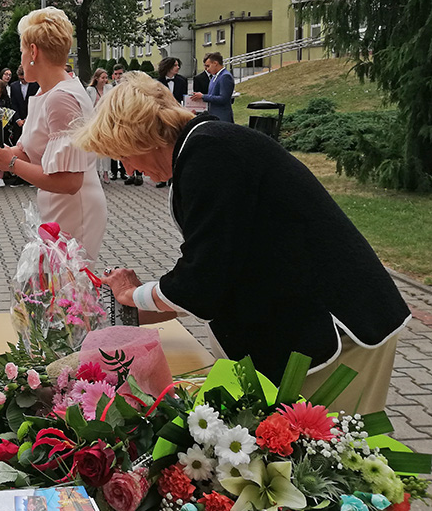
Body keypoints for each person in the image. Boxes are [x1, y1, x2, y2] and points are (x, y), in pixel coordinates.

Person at [78, 71, 410, 414]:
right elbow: (219, 265)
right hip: (312, 324)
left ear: (140, 138)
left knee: (337, 455)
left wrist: (132, 295)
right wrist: (137, 305)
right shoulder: (204, 147)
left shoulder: (208, 152)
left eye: (124, 155)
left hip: (337, 332)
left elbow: (202, 281)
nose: (129, 168)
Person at [0, 7, 107, 259]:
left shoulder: (60, 98)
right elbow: (25, 150)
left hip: (75, 211)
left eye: (22, 50)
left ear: (33, 51)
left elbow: (69, 181)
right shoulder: (46, 93)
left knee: (67, 293)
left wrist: (10, 164)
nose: (21, 58)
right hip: (59, 208)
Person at [156, 58, 187, 187]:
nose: (177, 67)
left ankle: (173, 175)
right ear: (168, 67)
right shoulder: (157, 83)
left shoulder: (182, 81)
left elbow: (184, 99)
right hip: (162, 117)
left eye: (178, 65)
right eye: (175, 65)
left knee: (174, 145)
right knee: (162, 146)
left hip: (176, 117)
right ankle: (161, 176)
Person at [85, 68, 113, 184]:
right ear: (96, 78)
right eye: (103, 78)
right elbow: (88, 106)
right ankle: (96, 172)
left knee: (106, 150)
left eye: (106, 78)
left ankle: (106, 172)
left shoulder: (109, 88)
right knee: (95, 149)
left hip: (106, 122)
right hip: (94, 122)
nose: (105, 80)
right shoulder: (90, 90)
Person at [190, 51, 234, 123]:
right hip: (213, 116)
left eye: (208, 66)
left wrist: (203, 96)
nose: (207, 69)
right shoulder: (215, 76)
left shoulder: (225, 76)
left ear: (215, 63)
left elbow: (223, 99)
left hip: (222, 117)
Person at [9, 65, 39, 148]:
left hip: (31, 119)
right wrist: (17, 119)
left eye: (24, 79)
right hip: (18, 121)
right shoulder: (14, 86)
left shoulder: (35, 85)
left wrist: (28, 118)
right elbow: (13, 104)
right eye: (21, 79)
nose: (23, 81)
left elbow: (36, 103)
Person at [109, 65, 128, 182]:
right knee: (113, 146)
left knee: (124, 147)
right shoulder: (110, 87)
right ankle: (114, 171)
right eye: (116, 74)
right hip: (114, 118)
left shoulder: (128, 87)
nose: (118, 76)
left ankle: (124, 171)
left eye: (120, 74)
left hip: (125, 119)